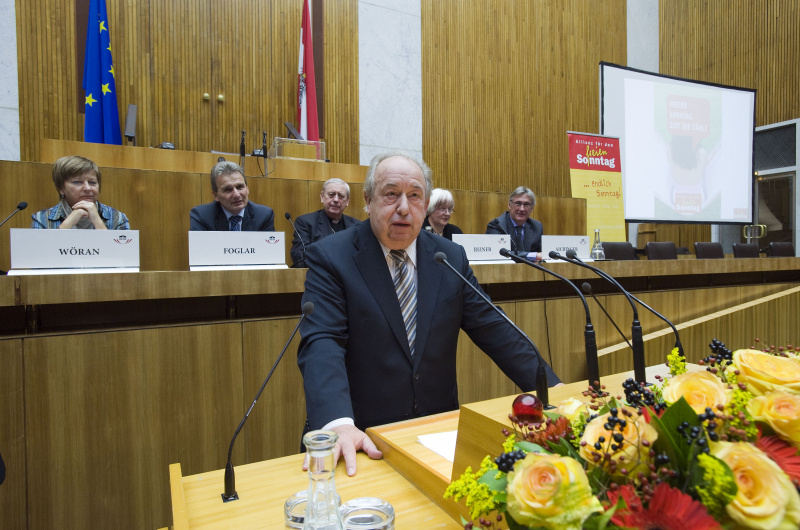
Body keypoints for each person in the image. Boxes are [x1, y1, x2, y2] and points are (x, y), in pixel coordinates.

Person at [297, 153, 560, 476]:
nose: (404, 208)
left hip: (437, 436)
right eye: (391, 194)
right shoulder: (332, 256)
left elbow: (495, 329)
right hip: (361, 440)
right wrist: (338, 423)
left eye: (415, 195)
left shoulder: (448, 256)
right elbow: (322, 342)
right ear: (368, 200)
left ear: (426, 203)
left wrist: (553, 392)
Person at [31, 156, 129, 230]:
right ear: (61, 188)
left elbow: (122, 255)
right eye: (77, 182)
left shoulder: (118, 218)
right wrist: (69, 223)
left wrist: (97, 221)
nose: (87, 188)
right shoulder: (41, 219)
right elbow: (44, 255)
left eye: (92, 182)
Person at [290, 178, 361, 268]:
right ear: (322, 197)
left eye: (341, 196)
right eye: (331, 195)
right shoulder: (306, 222)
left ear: (347, 201)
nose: (336, 199)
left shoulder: (357, 226)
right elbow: (299, 255)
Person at [189, 161, 274, 231]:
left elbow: (269, 250)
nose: (236, 195)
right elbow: (201, 250)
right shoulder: (201, 216)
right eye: (228, 190)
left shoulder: (264, 215)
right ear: (216, 195)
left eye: (240, 187)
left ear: (247, 189)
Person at [486, 186, 543, 259]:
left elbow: (543, 254)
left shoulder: (536, 227)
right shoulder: (497, 225)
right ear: (509, 205)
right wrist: (534, 256)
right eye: (518, 203)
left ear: (532, 208)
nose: (522, 209)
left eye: (526, 204)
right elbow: (497, 253)